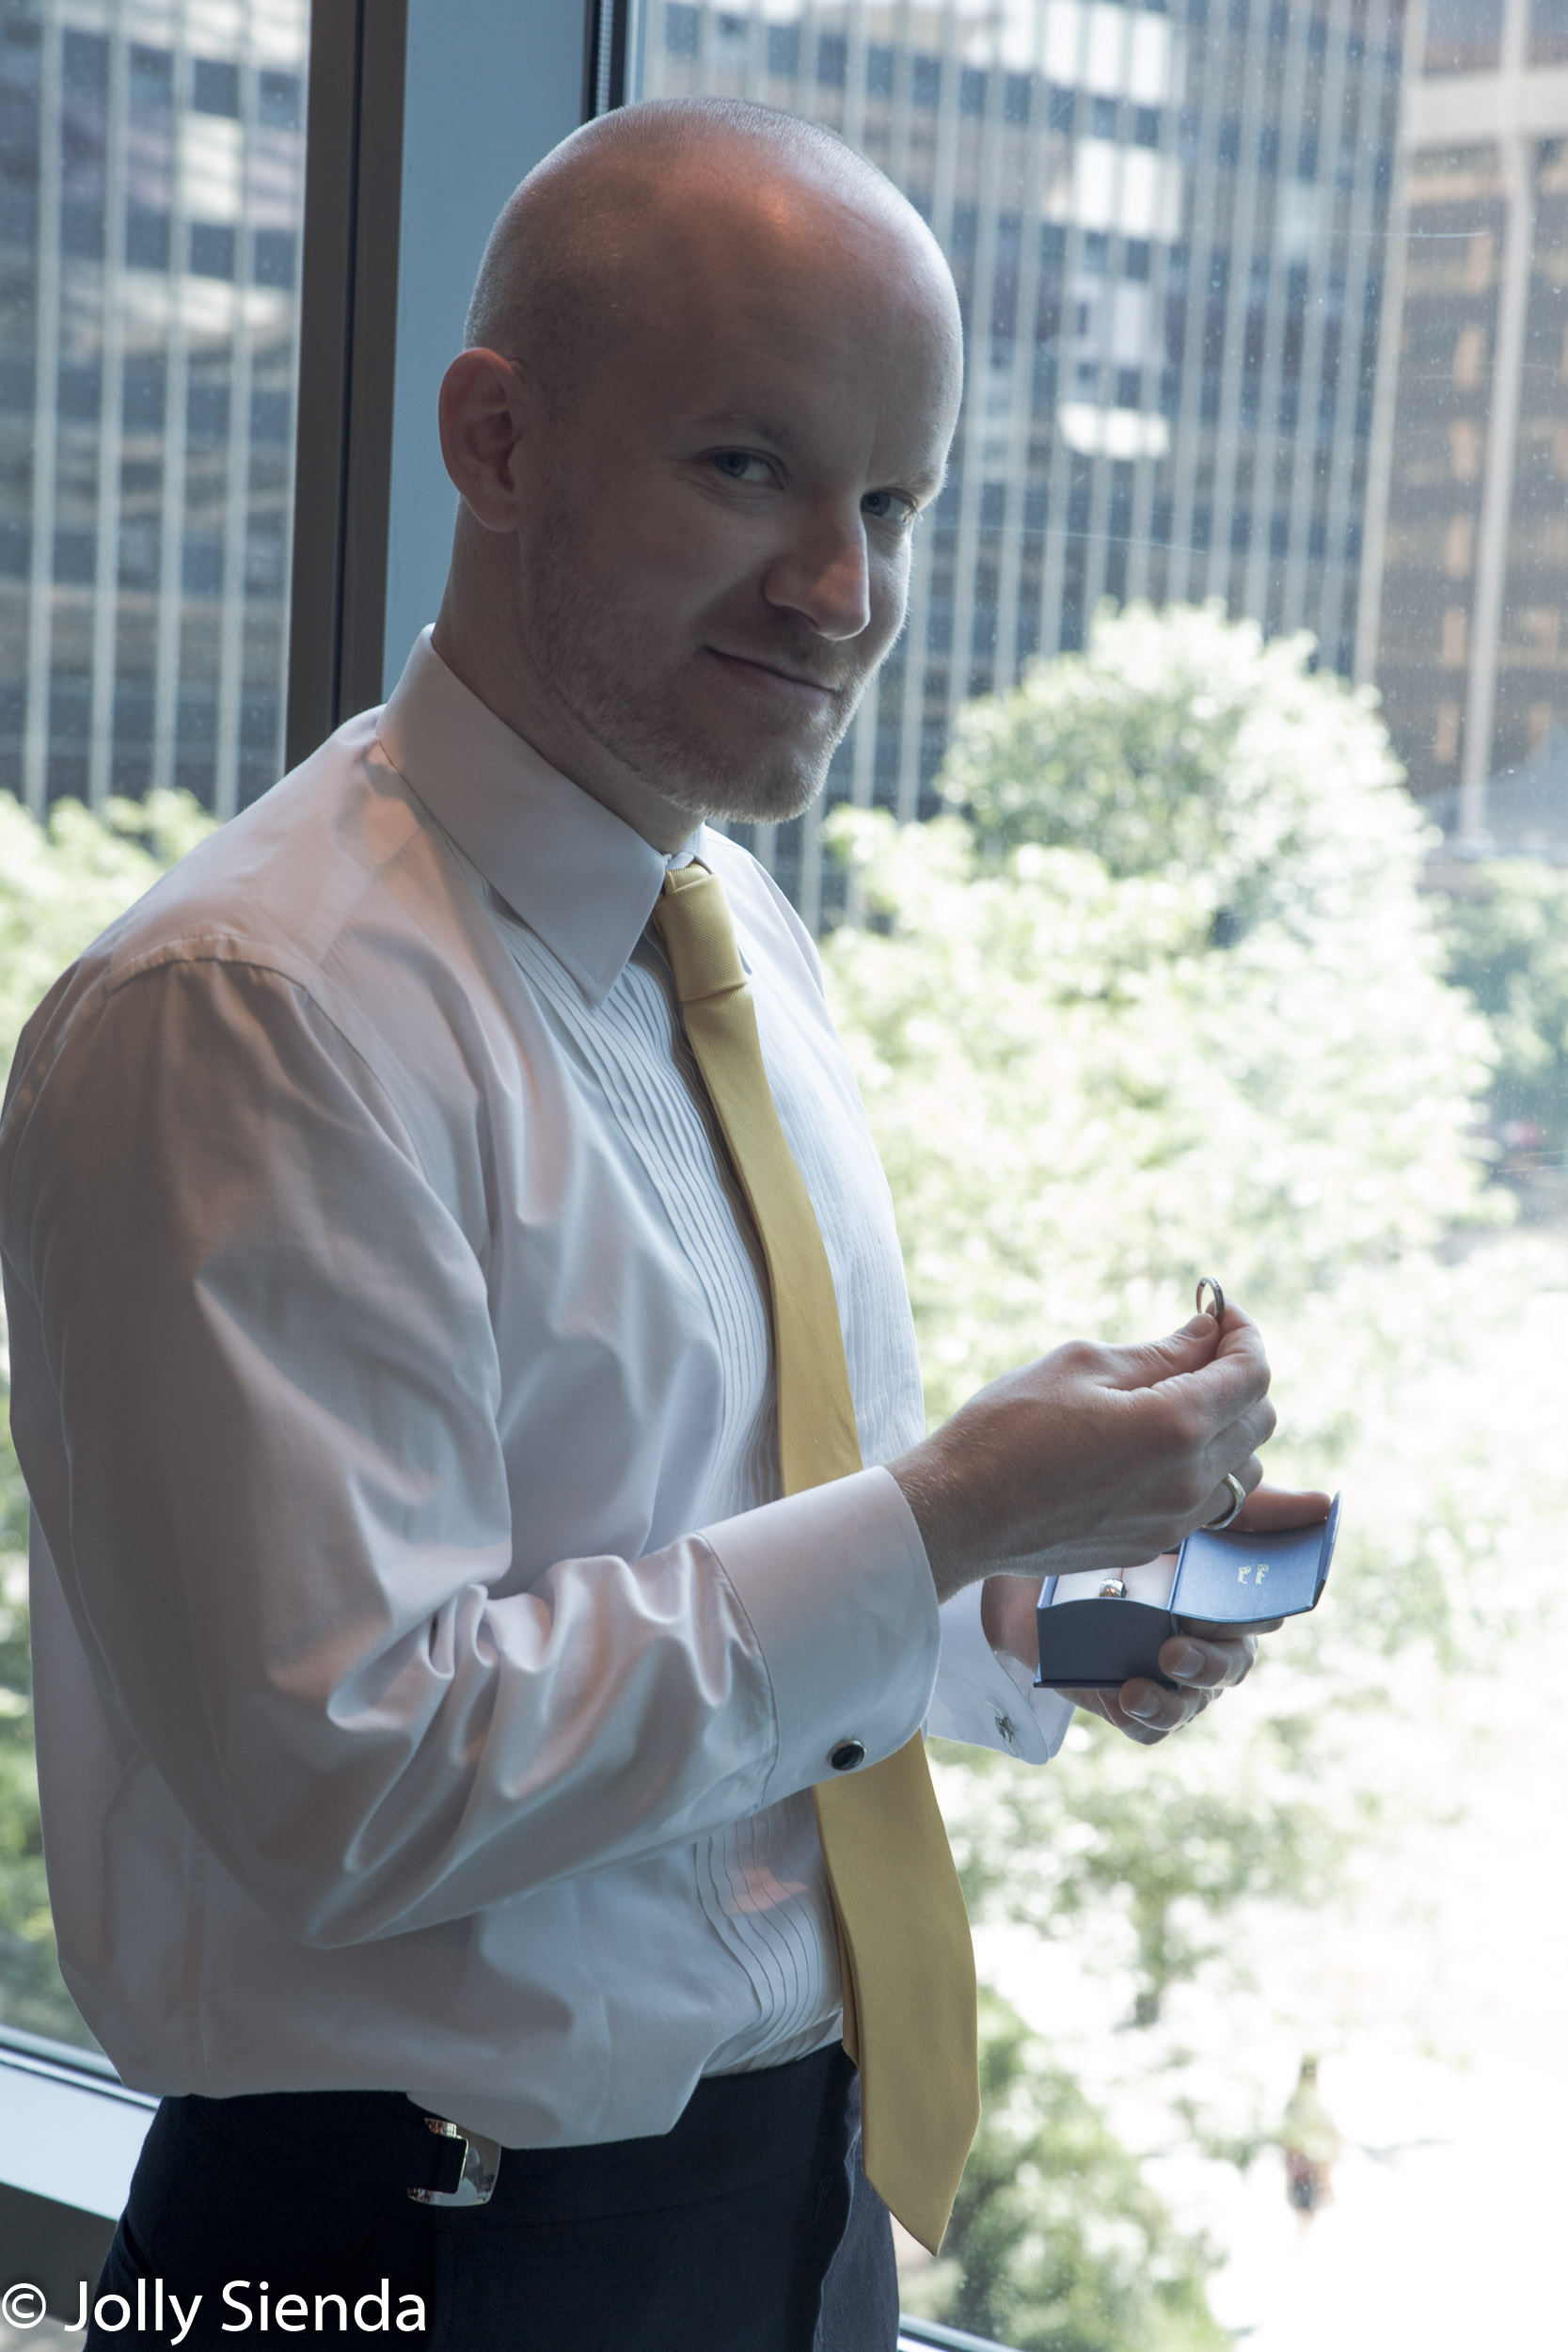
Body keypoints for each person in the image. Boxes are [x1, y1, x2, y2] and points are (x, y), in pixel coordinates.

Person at [0, 98, 1326, 2351]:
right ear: (496, 441)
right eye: (750, 470)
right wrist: (933, 1514)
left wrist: (1013, 1613)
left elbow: (686, 1584)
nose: (848, 587)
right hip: (403, 2257)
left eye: (891, 502)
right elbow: (357, 1771)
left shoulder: (727, 925)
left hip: (783, 2213)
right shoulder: (242, 1016)